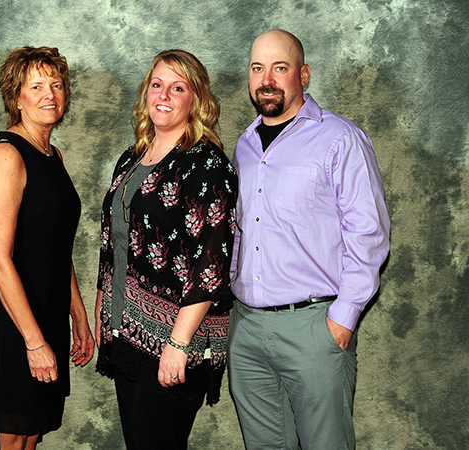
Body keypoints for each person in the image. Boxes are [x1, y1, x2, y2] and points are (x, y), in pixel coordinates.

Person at [227, 29, 390, 450]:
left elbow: (368, 233)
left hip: (315, 328)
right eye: (257, 68)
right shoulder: (244, 146)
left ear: (304, 74)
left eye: (279, 68)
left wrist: (343, 317)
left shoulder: (340, 139)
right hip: (247, 329)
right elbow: (241, 230)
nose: (267, 79)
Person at [94, 49, 238, 450]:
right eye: (157, 85)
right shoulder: (132, 158)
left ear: (197, 101)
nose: (164, 95)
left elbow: (211, 267)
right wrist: (104, 302)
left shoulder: (207, 165)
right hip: (128, 329)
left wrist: (177, 345)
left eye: (178, 88)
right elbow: (114, 239)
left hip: (176, 339)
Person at [0, 46, 95, 450]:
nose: (49, 94)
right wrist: (34, 341)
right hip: (12, 323)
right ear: (15, 97)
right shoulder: (7, 155)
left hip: (47, 313)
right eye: (35, 85)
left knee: (31, 435)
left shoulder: (51, 154)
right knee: (8, 436)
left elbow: (56, 245)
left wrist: (78, 314)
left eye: (56, 85)